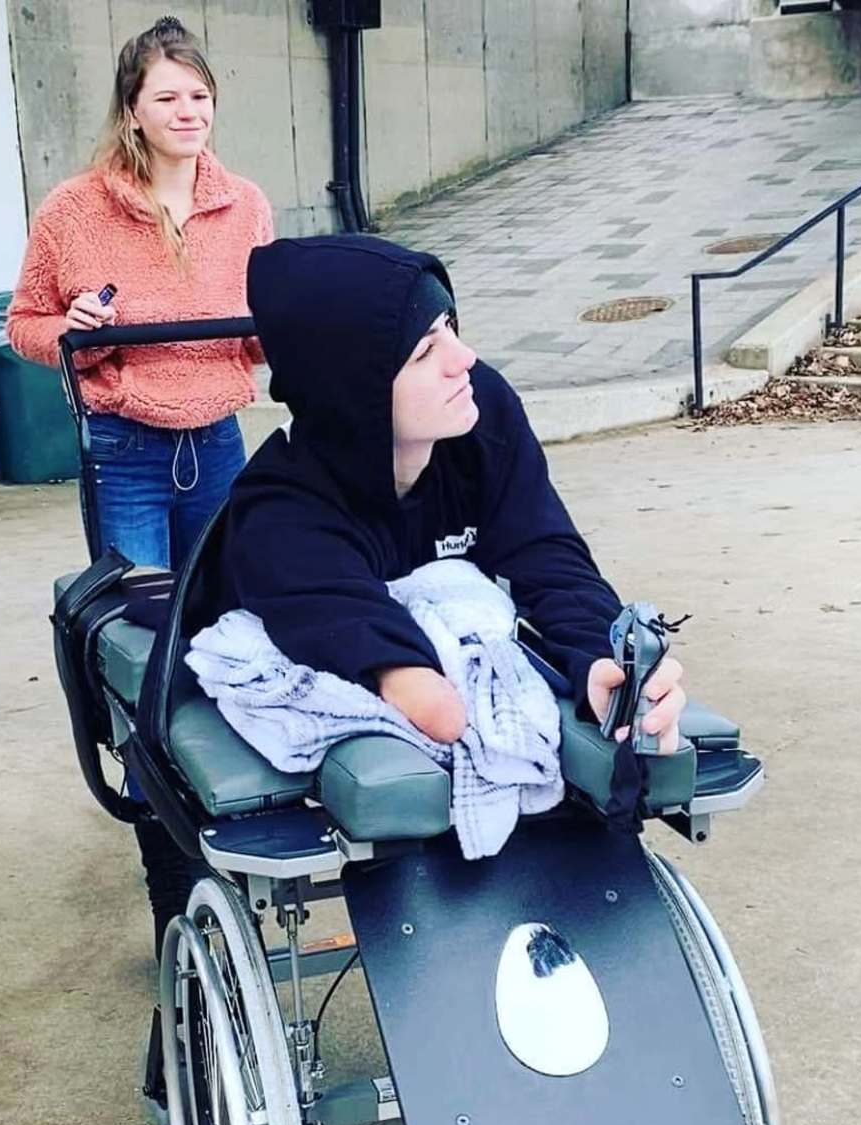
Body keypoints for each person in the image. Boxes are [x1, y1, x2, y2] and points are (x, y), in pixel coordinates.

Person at [199, 235, 686, 756]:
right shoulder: (281, 509)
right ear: (352, 394)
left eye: (450, 327)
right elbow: (361, 634)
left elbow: (544, 550)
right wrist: (404, 670)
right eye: (425, 351)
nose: (464, 358)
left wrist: (597, 657)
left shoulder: (483, 411)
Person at [7, 16, 273, 957]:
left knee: (231, 630)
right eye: (168, 95)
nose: (188, 110)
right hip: (125, 444)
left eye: (200, 94)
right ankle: (172, 880)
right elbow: (26, 325)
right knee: (142, 653)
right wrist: (71, 326)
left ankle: (239, 825)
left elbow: (261, 321)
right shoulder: (74, 210)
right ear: (133, 107)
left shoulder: (243, 203)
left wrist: (281, 340)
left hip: (221, 441)